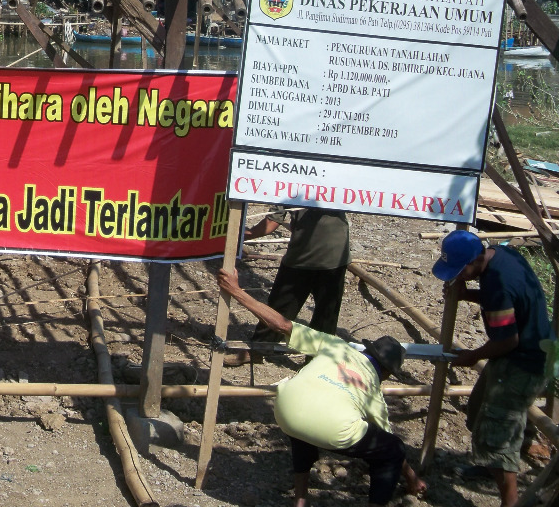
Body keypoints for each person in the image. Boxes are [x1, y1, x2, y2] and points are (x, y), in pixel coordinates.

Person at [219, 269, 427, 506]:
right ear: (388, 372)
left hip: (286, 409)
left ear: (368, 351)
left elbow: (282, 325)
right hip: (329, 428)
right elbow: (389, 442)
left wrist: (236, 290)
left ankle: (300, 499)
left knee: (304, 427)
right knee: (392, 449)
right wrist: (412, 478)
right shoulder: (374, 392)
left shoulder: (335, 345)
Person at [433, 230, 552, 507]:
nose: (458, 275)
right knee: (477, 408)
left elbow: (507, 340)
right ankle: (489, 468)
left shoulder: (498, 283)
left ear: (475, 260)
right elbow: (506, 302)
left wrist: (472, 356)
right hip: (520, 352)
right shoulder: (501, 255)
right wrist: (468, 294)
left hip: (524, 361)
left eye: (461, 271)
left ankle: (509, 500)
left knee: (499, 433)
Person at [225, 207, 351, 366]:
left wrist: (236, 237)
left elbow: (269, 225)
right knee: (325, 316)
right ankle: (315, 361)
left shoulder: (291, 186)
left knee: (280, 308)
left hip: (312, 257)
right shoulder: (328, 184)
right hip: (332, 255)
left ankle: (260, 349)